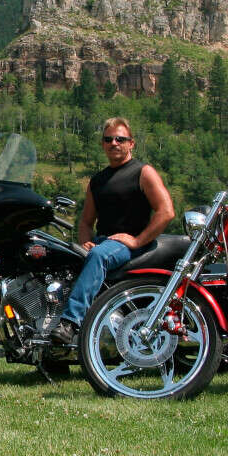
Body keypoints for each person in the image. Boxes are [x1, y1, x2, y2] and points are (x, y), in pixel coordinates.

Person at [51, 117, 175, 346]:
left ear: (131, 144)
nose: (114, 143)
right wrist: (85, 242)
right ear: (102, 144)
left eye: (120, 139)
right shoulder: (97, 181)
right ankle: (48, 338)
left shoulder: (143, 172)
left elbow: (166, 211)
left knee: (99, 255)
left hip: (130, 245)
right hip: (103, 242)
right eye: (108, 139)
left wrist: (137, 241)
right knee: (61, 259)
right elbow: (86, 222)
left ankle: (69, 323)